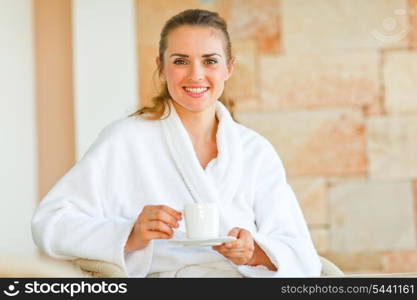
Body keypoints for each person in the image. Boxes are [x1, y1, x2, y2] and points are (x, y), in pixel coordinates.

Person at [31, 9, 321, 277]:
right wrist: (130, 234)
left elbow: (300, 251)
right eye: (181, 61)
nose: (196, 75)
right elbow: (51, 223)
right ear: (161, 66)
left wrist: (254, 252)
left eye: (210, 61)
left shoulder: (255, 150)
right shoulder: (125, 140)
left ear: (228, 68)